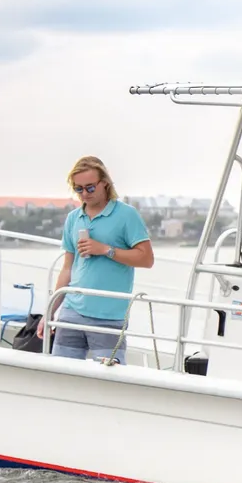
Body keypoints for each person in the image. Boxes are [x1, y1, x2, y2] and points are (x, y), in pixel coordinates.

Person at [48, 155, 154, 363]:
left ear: (104, 183)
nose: (84, 194)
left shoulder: (126, 215)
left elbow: (147, 259)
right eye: (78, 189)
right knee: (61, 375)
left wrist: (106, 249)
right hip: (71, 312)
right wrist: (50, 311)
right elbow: (67, 269)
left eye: (90, 187)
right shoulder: (73, 218)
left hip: (109, 317)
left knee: (109, 382)